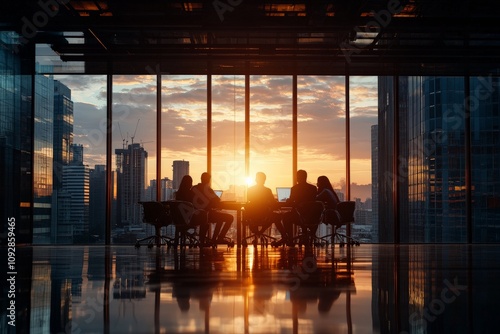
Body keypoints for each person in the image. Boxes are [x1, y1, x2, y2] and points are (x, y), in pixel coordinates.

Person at [192, 172, 233, 245]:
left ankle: (214, 239)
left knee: (219, 218)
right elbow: (217, 200)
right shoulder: (208, 189)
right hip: (207, 215)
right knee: (230, 218)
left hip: (195, 216)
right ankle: (218, 238)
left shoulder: (194, 188)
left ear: (201, 179)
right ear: (209, 180)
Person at [246, 172, 286, 241]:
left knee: (253, 218)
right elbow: (273, 203)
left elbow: (250, 201)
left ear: (256, 179)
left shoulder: (250, 190)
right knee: (277, 217)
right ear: (264, 180)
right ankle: (285, 237)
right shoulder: (267, 191)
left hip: (253, 216)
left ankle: (257, 232)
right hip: (265, 216)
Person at [282, 170, 318, 243]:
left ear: (298, 177)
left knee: (285, 217)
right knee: (307, 219)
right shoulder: (313, 188)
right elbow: (314, 201)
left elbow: (291, 201)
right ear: (306, 177)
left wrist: (288, 200)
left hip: (299, 215)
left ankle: (290, 239)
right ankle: (311, 236)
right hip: (312, 215)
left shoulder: (295, 188)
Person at [174, 174, 210, 245]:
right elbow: (195, 207)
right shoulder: (190, 194)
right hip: (189, 219)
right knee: (205, 219)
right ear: (189, 183)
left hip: (178, 220)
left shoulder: (177, 194)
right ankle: (201, 241)